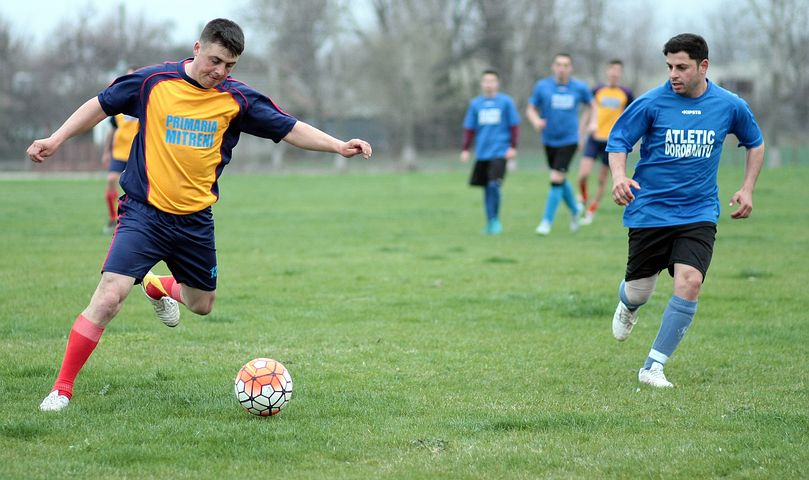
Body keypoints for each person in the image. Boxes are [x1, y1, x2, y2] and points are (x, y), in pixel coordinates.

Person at [28, 18, 372, 412]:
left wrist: (338, 146)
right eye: (215, 61)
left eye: (230, 66)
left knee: (201, 304)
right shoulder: (153, 82)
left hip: (194, 221)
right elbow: (100, 104)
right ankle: (61, 389)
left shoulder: (237, 99)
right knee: (109, 297)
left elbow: (290, 128)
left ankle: (157, 286)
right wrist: (55, 139)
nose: (220, 72)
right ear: (196, 48)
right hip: (144, 214)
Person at [607, 33, 764, 388]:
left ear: (703, 66)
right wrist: (619, 176)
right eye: (669, 67)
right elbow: (618, 140)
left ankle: (653, 367)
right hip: (650, 211)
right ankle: (628, 305)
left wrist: (747, 188)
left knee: (690, 281)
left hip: (698, 212)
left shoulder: (729, 105)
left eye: (681, 67)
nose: (673, 74)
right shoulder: (651, 103)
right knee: (639, 291)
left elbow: (755, 142)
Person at [526, 53, 597, 236]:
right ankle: (575, 209)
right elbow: (531, 108)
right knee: (559, 177)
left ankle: (546, 223)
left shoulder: (579, 87)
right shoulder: (543, 86)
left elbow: (592, 105)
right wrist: (535, 121)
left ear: (570, 68)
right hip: (549, 139)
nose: (562, 68)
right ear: (553, 66)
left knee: (556, 178)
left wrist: (591, 123)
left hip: (570, 139)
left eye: (566, 65)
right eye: (558, 64)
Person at [461, 69, 520, 234]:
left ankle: (495, 221)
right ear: (482, 84)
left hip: (500, 151)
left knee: (494, 185)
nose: (489, 84)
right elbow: (469, 129)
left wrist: (513, 147)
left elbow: (514, 126)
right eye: (486, 81)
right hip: (482, 152)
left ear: (497, 83)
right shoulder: (475, 104)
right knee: (486, 187)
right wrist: (465, 149)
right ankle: (489, 221)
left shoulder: (506, 102)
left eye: (492, 81)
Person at [576, 60, 634, 225]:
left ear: (620, 73)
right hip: (594, 139)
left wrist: (630, 138)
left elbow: (631, 118)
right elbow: (588, 112)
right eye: (612, 70)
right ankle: (583, 199)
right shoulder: (597, 90)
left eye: (617, 71)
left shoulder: (626, 93)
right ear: (607, 72)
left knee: (602, 180)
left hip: (612, 144)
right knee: (583, 175)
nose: (614, 73)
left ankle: (591, 210)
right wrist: (580, 133)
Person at [100, 68, 139, 234]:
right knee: (111, 179)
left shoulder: (145, 103)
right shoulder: (120, 106)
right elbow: (112, 130)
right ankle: (112, 218)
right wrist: (106, 151)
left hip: (137, 152)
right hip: (120, 152)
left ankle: (134, 221)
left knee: (136, 188)